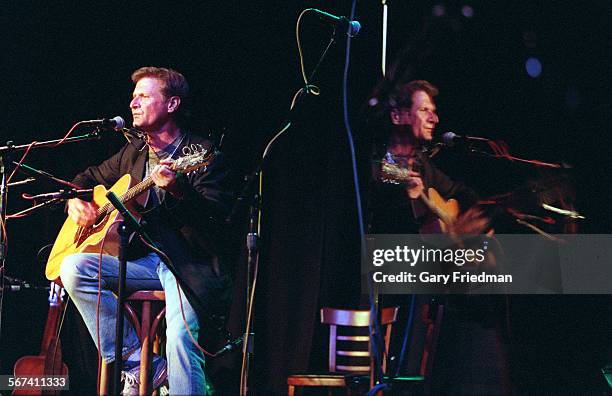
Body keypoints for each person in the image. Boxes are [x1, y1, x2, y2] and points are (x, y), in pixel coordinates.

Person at [59, 66, 233, 395]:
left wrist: (181, 191)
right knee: (73, 267)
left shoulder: (202, 155)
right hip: (147, 262)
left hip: (187, 264)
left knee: (181, 339)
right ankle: (142, 365)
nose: (133, 103)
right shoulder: (135, 151)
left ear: (172, 105)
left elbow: (216, 223)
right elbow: (87, 177)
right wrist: (76, 201)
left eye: (143, 96)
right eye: (133, 96)